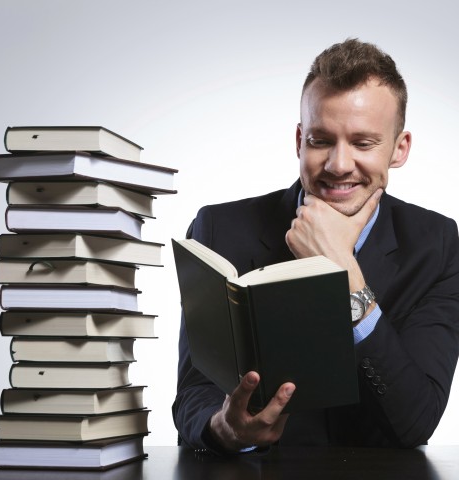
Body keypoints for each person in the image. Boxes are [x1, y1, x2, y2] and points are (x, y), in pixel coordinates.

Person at [172, 38, 459, 453]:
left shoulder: (437, 244)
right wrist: (226, 429)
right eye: (321, 140)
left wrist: (344, 271)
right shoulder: (219, 228)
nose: (339, 165)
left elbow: (416, 421)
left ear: (400, 149)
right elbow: (192, 395)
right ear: (298, 140)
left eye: (363, 143)